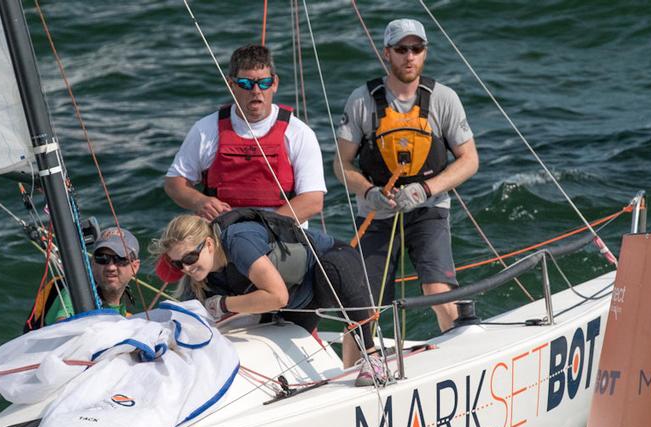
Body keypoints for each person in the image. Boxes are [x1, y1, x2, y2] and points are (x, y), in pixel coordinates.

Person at [333, 18, 479, 332]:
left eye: (416, 48)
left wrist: (424, 190)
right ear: (387, 53)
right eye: (401, 49)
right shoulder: (362, 100)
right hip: (376, 210)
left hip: (428, 208)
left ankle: (456, 355)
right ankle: (359, 368)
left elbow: (469, 160)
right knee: (363, 305)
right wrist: (368, 191)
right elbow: (341, 164)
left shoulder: (444, 99)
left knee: (438, 294)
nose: (409, 56)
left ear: (425, 53)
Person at [151, 209, 386, 385]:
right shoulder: (201, 277)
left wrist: (224, 304)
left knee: (335, 266)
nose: (186, 267)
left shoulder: (238, 241)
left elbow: (277, 296)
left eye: (190, 257)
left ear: (209, 244)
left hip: (328, 269)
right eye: (177, 263)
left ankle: (372, 356)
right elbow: (189, 320)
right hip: (300, 298)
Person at [164, 44, 326, 225]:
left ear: (275, 84)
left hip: (281, 235)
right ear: (231, 84)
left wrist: (263, 229)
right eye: (246, 84)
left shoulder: (299, 133)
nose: (256, 91)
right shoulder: (205, 130)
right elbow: (174, 182)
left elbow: (313, 201)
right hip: (222, 235)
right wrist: (200, 201)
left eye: (264, 83)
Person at [42, 227, 140, 325]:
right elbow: (63, 328)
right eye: (102, 258)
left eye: (120, 259)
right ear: (93, 263)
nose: (111, 267)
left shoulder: (125, 308)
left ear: (134, 267)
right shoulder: (75, 292)